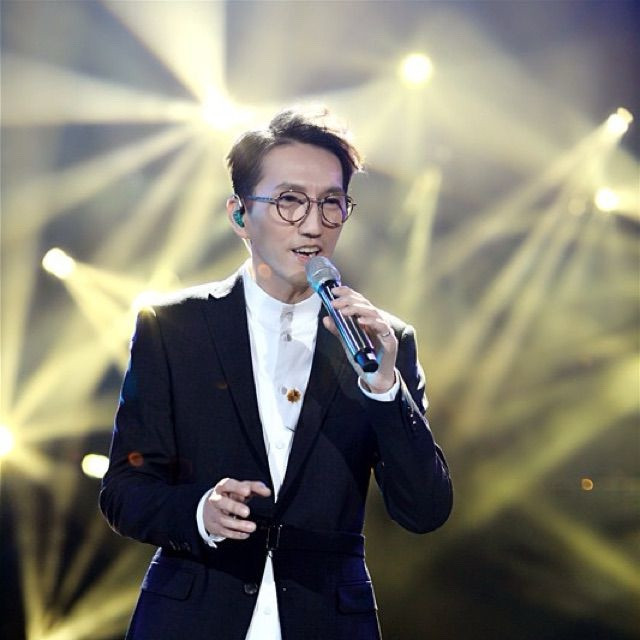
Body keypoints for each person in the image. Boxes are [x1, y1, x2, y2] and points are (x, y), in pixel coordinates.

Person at [100, 107, 453, 640]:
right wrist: (200, 512)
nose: (313, 224)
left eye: (331, 203)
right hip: (193, 616)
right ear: (240, 214)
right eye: (290, 200)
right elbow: (124, 490)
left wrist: (384, 388)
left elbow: (424, 510)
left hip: (327, 621)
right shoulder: (174, 328)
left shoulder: (382, 342)